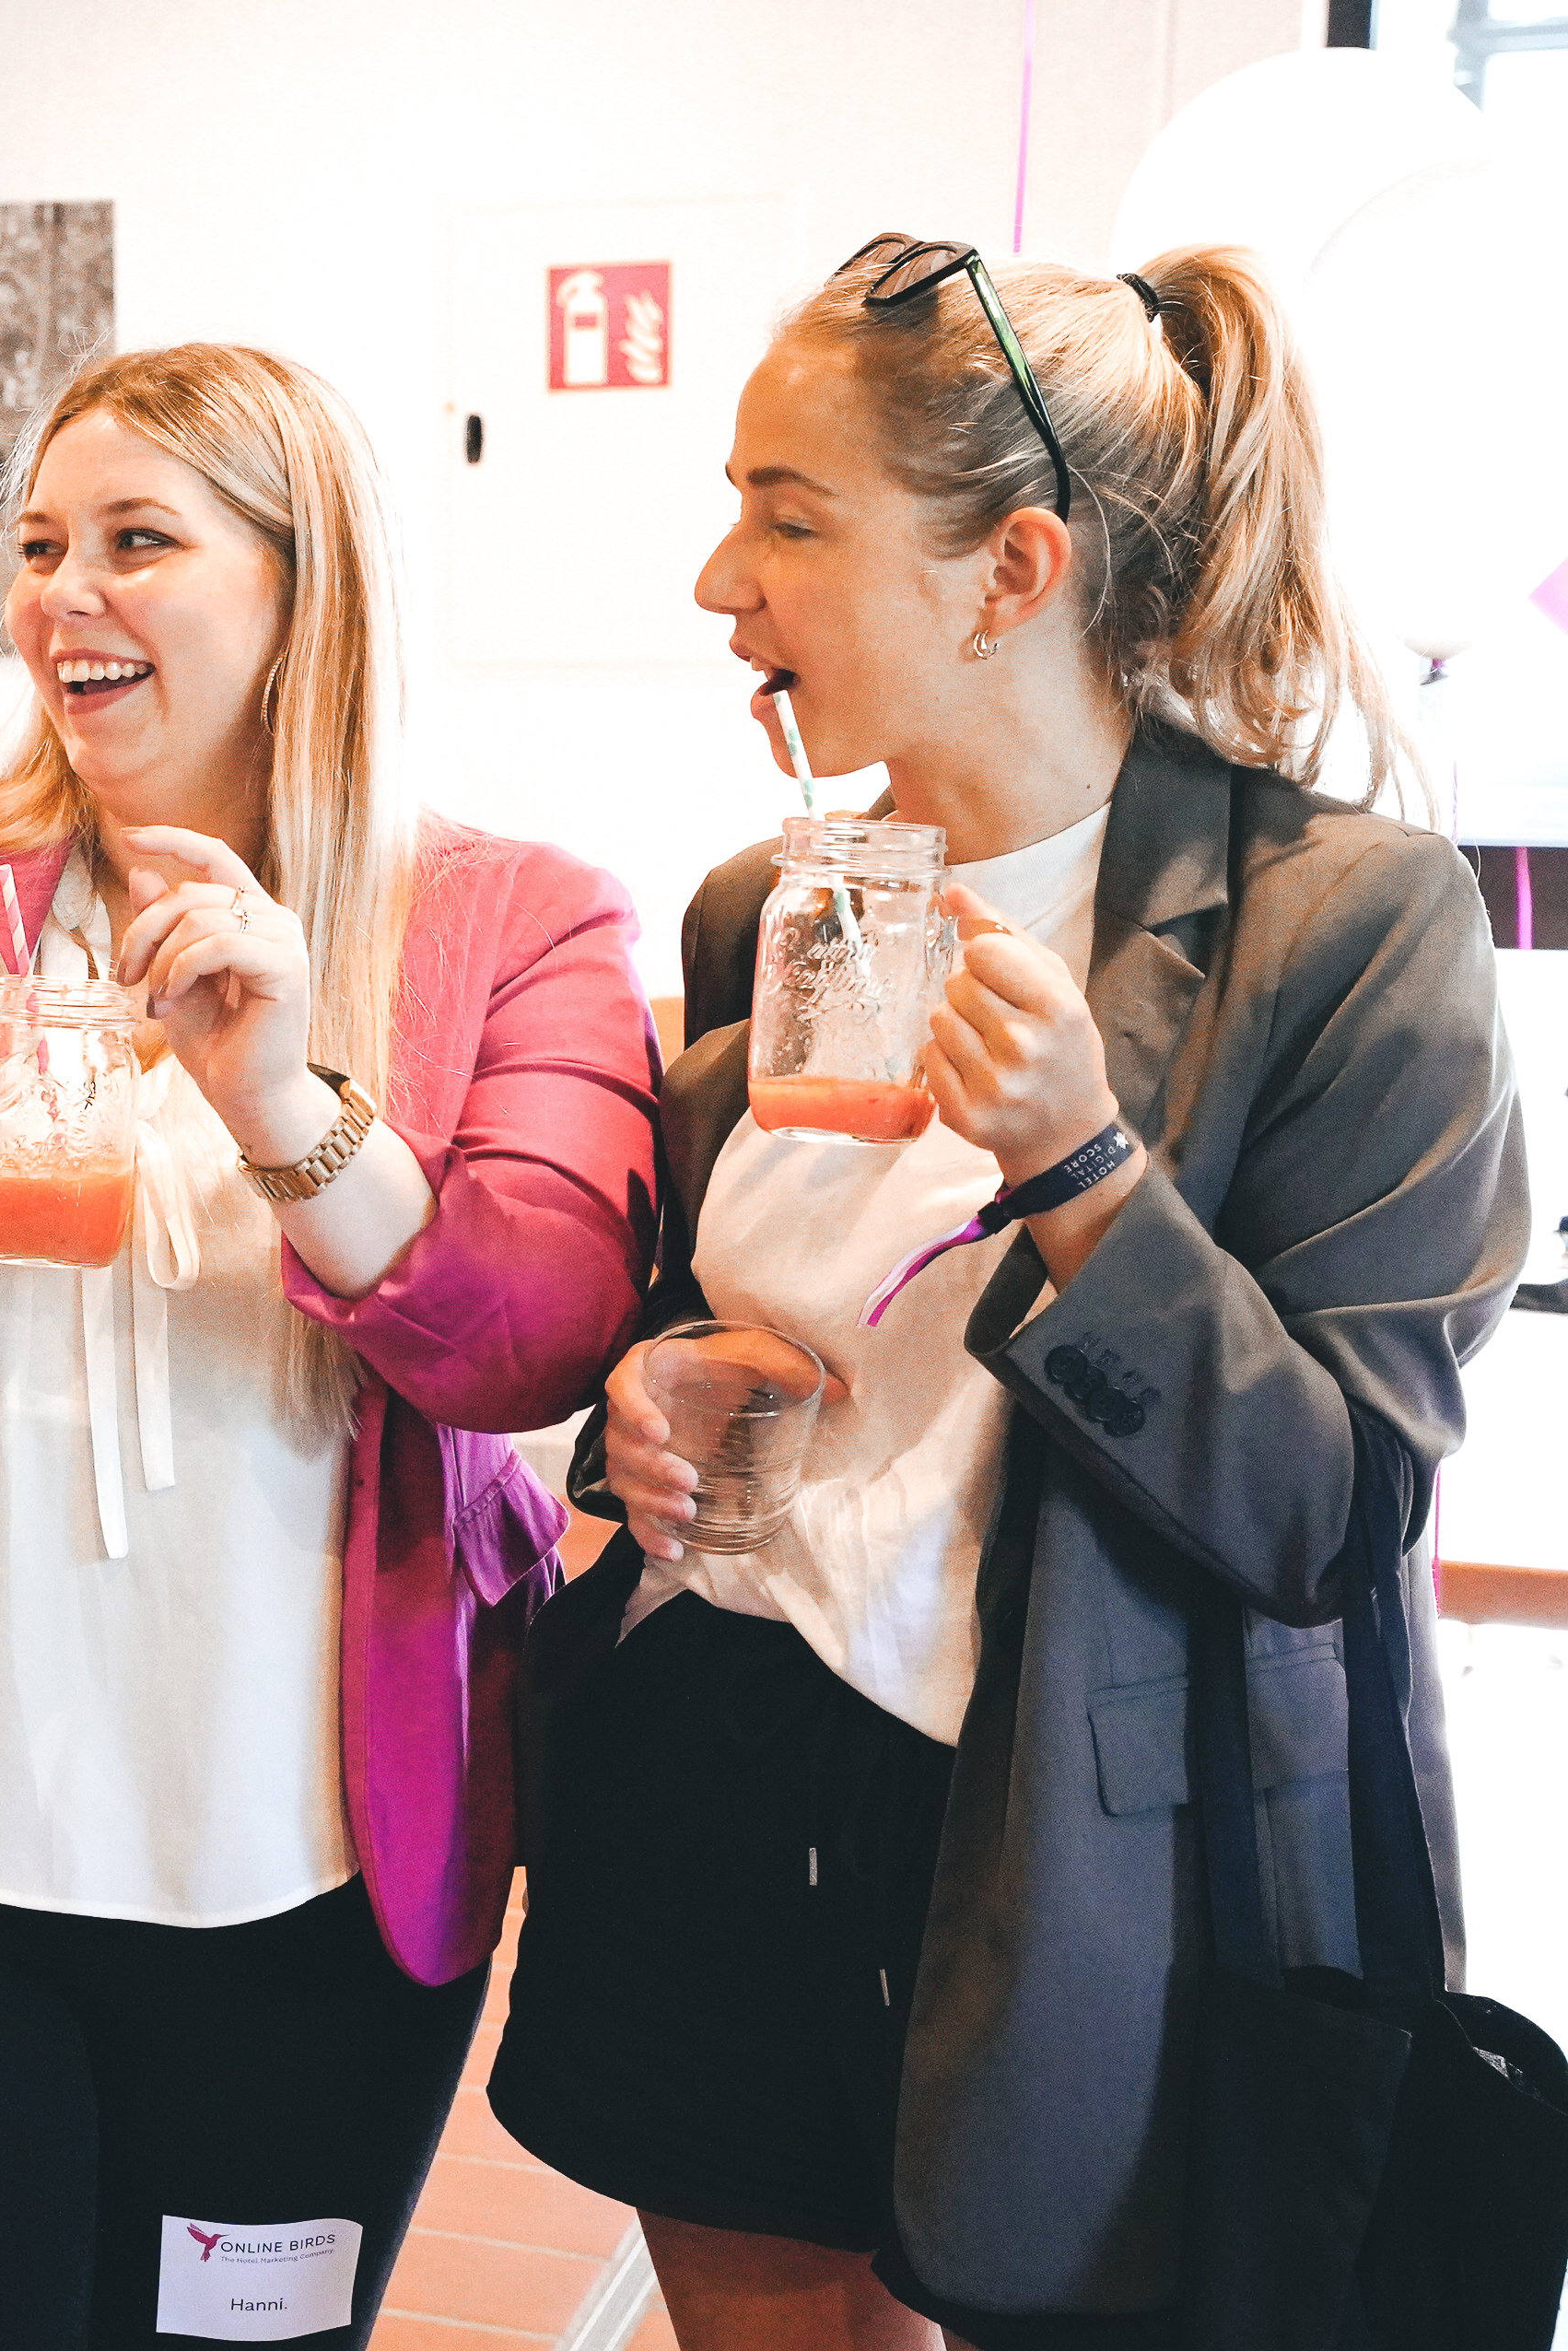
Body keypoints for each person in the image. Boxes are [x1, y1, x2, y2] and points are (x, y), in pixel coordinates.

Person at [488, 239, 1530, 2350]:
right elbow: (738, 1321)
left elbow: (1328, 1507)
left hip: (1057, 1840)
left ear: (1011, 565)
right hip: (711, 1757)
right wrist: (650, 1389)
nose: (719, 580)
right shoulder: (759, 913)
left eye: (788, 515)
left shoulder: (1337, 930)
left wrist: (1085, 1173)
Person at [0, 342, 662, 2348]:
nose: (64, 596)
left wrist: (287, 1103)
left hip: (299, 1884)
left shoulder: (509, 913)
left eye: (138, 541)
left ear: (300, 583)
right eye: (42, 544)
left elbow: (540, 1331)